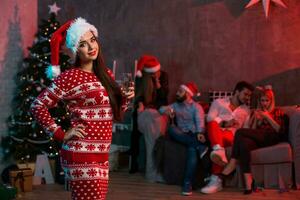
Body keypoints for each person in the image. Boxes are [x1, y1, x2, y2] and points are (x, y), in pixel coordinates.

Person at [30, 17, 133, 200]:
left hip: (101, 154)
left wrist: (124, 98)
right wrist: (61, 134)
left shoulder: (106, 74)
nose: (91, 47)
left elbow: (113, 114)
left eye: (92, 40)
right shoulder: (70, 77)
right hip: (81, 153)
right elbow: (38, 105)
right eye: (83, 44)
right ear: (76, 50)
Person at [222, 86, 288, 194]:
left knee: (239, 132)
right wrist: (255, 121)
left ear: (271, 101)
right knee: (243, 143)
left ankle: (232, 163)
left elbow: (280, 130)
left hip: (271, 137)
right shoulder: (256, 112)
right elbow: (251, 132)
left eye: (267, 100)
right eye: (262, 100)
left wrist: (267, 117)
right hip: (259, 138)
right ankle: (249, 183)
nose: (264, 103)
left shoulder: (277, 112)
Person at [200, 81, 254, 194]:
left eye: (249, 95)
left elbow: (246, 130)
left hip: (232, 138)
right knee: (212, 124)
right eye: (245, 94)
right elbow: (209, 118)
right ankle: (217, 175)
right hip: (216, 133)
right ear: (237, 92)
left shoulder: (246, 111)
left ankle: (216, 174)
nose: (247, 98)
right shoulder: (218, 102)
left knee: (219, 146)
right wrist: (225, 123)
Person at [159, 82, 208, 196]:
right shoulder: (175, 105)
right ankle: (200, 147)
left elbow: (200, 123)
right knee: (171, 129)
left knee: (192, 151)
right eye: (177, 91)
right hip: (180, 133)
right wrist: (165, 111)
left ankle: (187, 184)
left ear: (188, 94)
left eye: (180, 91)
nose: (177, 93)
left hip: (194, 135)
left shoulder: (196, 107)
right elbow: (161, 109)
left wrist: (200, 133)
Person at [129, 55, 169, 182]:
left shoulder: (163, 76)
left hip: (158, 110)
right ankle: (135, 161)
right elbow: (139, 97)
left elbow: (164, 98)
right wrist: (140, 104)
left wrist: (158, 83)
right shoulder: (142, 78)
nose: (158, 73)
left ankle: (153, 170)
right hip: (146, 111)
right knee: (139, 120)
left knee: (153, 124)